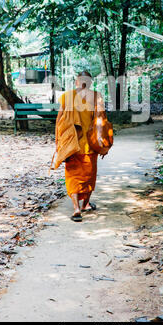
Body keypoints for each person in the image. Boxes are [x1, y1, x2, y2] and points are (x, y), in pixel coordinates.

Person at [54, 71, 105, 222]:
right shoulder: (96, 96)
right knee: (89, 176)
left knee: (73, 176)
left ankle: (77, 207)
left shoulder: (67, 97)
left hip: (71, 145)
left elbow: (59, 121)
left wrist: (58, 141)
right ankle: (85, 204)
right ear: (90, 82)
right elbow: (100, 121)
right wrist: (102, 143)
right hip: (89, 145)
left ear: (76, 82)